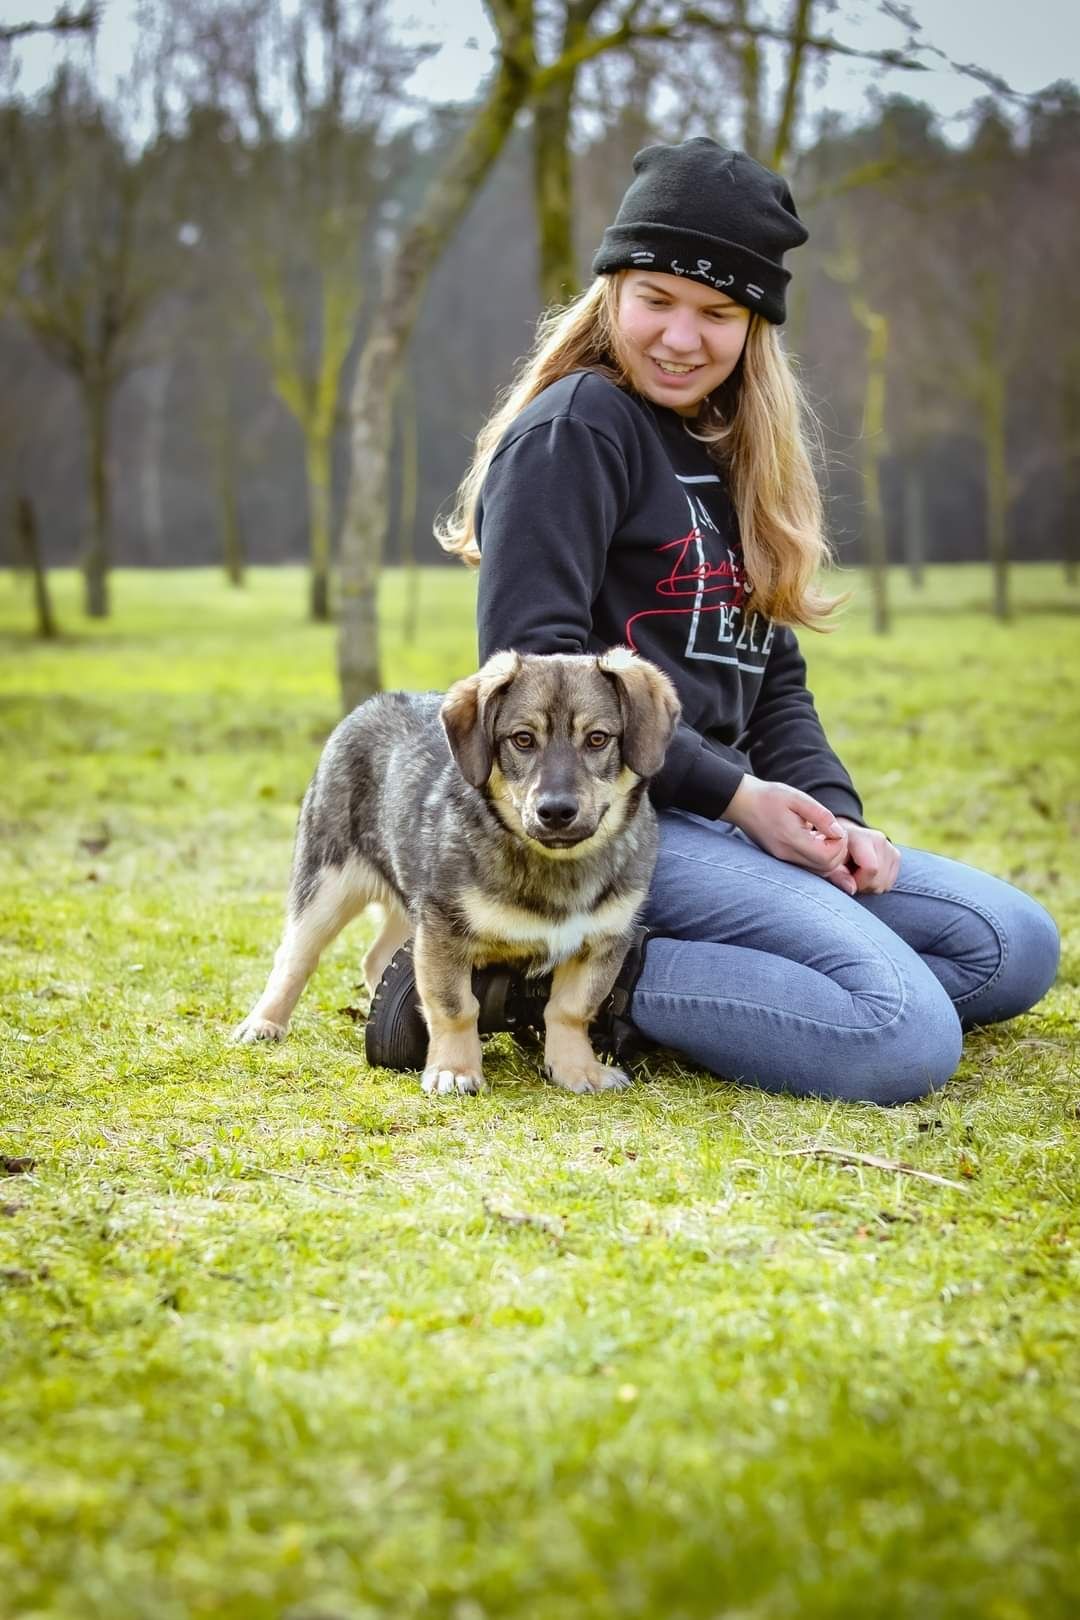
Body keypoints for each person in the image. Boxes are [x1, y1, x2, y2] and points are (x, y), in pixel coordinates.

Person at [367, 137, 1059, 1103]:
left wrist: (832, 819)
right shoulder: (576, 432)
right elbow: (535, 666)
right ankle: (553, 986)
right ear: (611, 290)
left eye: (718, 312)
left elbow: (770, 677)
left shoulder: (729, 448)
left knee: (1012, 948)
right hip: (624, 822)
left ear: (753, 327)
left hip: (734, 824)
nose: (682, 337)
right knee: (900, 1035)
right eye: (657, 299)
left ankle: (633, 969)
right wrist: (739, 800)